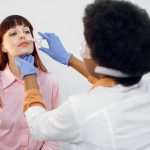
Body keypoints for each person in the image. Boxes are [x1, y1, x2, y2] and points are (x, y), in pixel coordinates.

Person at [16, 0, 150, 149]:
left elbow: (37, 127)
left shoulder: (81, 109)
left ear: (100, 57)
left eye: (88, 42)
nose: (22, 36)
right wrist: (69, 58)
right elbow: (111, 81)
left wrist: (29, 77)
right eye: (14, 33)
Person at [0, 15, 59, 150]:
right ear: (2, 46)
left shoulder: (50, 81)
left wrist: (69, 59)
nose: (23, 36)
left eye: (27, 31)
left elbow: (54, 133)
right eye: (14, 33)